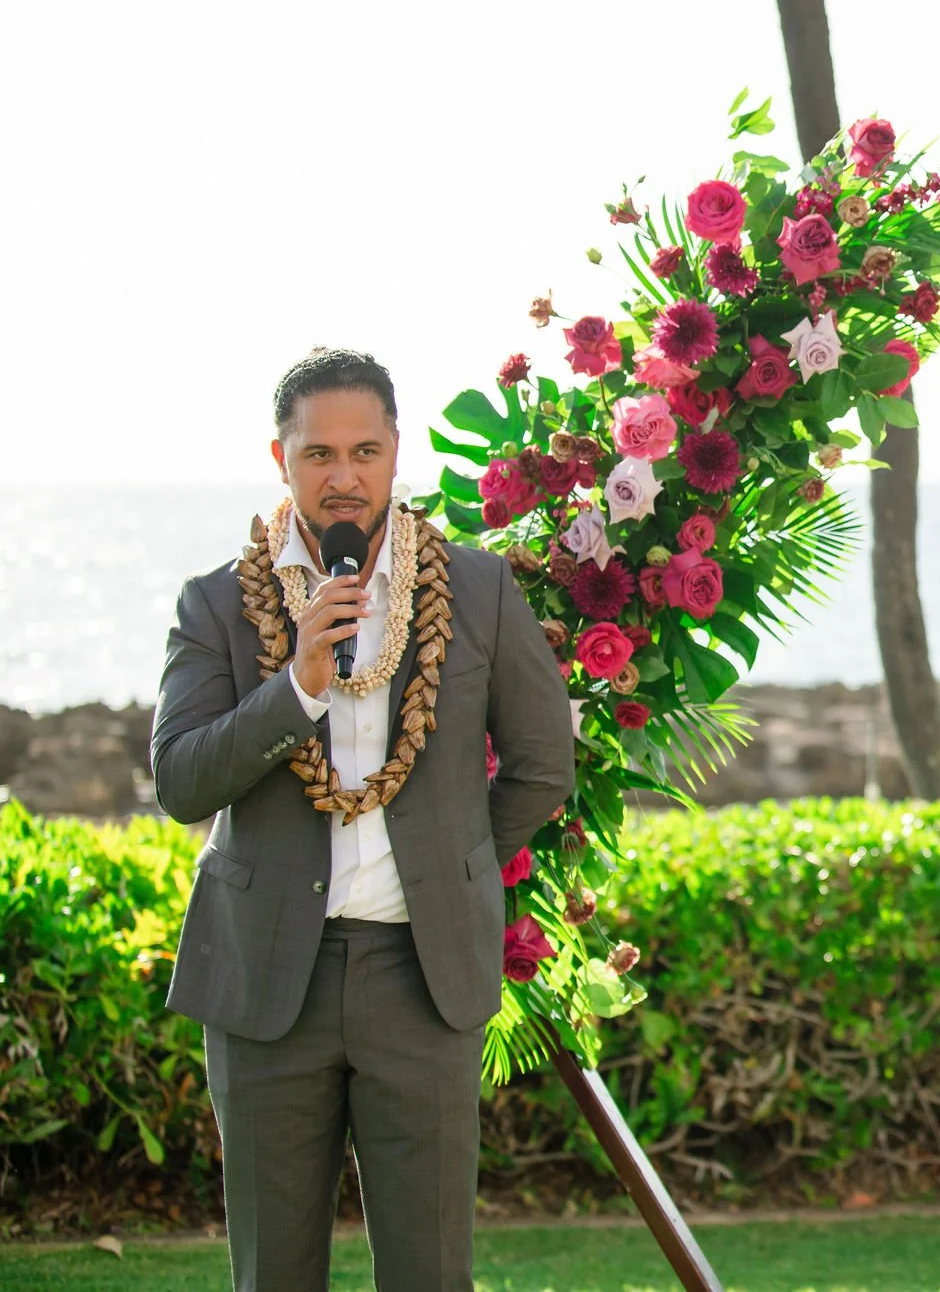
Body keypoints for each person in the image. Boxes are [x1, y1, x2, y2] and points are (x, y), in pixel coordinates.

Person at [151, 347, 573, 1291]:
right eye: (319, 455)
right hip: (266, 984)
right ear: (281, 457)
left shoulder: (478, 589)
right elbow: (179, 780)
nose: (343, 477)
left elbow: (545, 765)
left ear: (395, 453)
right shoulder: (217, 604)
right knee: (274, 1274)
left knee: (430, 1273)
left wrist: (452, 863)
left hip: (419, 981)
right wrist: (296, 685)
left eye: (365, 451)